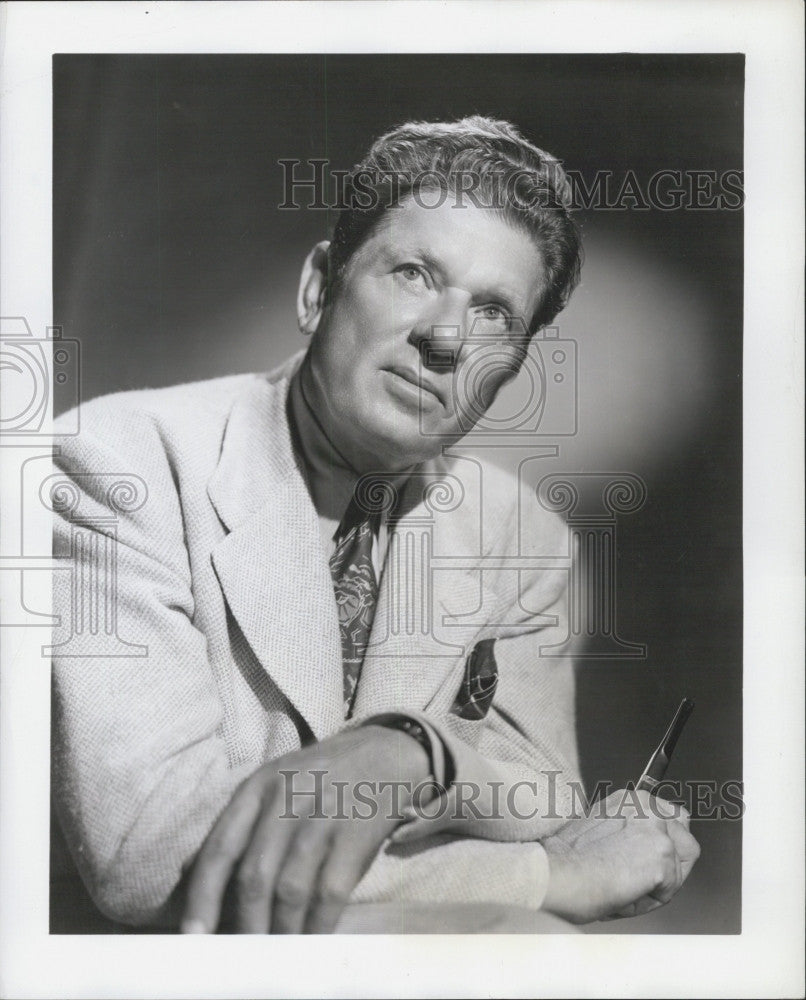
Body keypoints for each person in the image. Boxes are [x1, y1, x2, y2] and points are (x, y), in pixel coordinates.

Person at [50, 116, 699, 934]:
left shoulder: (525, 537)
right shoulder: (118, 463)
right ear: (319, 287)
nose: (446, 336)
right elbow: (153, 857)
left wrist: (410, 751)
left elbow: (541, 793)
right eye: (415, 272)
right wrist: (545, 877)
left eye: (495, 312)